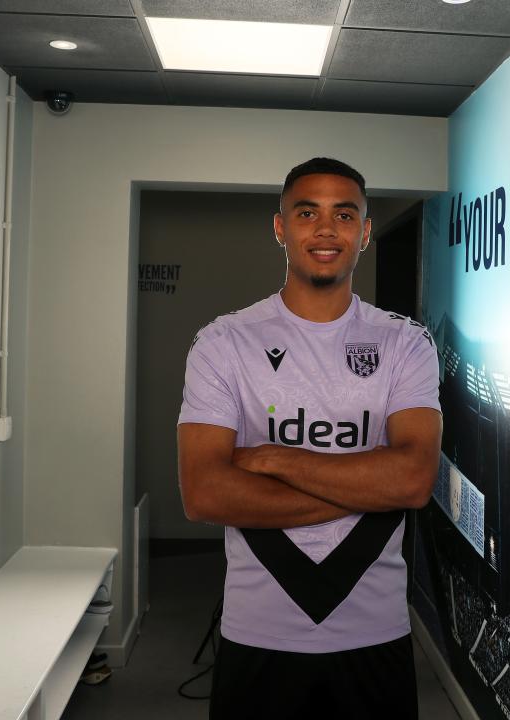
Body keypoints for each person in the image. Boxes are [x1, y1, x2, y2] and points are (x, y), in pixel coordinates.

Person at [177, 157, 442, 719]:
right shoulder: (224, 343)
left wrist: (274, 458)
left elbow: (415, 480)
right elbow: (204, 494)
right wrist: (368, 482)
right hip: (258, 635)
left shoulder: (405, 344)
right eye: (307, 213)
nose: (326, 229)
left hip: (374, 633)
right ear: (281, 228)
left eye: (344, 214)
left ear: (364, 233)